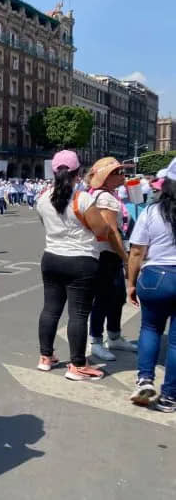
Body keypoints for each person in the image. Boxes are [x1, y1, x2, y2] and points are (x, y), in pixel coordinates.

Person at [34, 150, 110, 381]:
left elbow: (45, 224)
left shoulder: (42, 198)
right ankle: (77, 365)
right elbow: (102, 230)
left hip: (51, 258)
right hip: (81, 261)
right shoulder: (83, 199)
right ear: (78, 173)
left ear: (54, 172)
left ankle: (45, 357)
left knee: (50, 309)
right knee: (78, 314)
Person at [127, 157, 176, 412]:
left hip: (155, 276)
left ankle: (145, 379)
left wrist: (131, 283)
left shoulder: (151, 212)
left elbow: (136, 252)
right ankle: (169, 397)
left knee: (150, 328)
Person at [84, 158, 137, 361]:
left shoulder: (107, 194)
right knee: (104, 298)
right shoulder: (105, 198)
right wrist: (125, 258)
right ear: (106, 177)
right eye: (118, 172)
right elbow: (111, 232)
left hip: (107, 254)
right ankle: (96, 341)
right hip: (107, 254)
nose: (123, 176)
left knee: (117, 296)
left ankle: (114, 336)